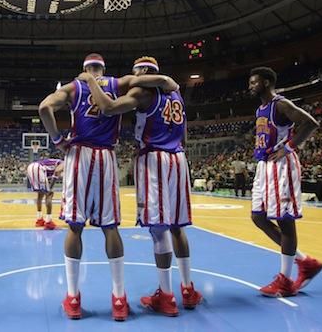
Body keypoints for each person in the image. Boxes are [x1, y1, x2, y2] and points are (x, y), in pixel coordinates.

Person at [39, 53, 177, 321]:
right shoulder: (120, 82)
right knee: (110, 228)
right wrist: (167, 81)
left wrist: (58, 139)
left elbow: (44, 108)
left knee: (75, 227)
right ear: (104, 68)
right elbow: (152, 80)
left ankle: (73, 298)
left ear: (84, 69)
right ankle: (118, 299)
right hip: (106, 157)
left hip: (79, 156)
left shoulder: (73, 87)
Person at [79, 56, 202, 317]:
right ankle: (188, 289)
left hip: (155, 158)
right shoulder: (175, 93)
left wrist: (91, 81)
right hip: (179, 157)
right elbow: (185, 132)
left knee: (159, 229)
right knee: (178, 228)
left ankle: (166, 296)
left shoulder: (143, 92)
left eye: (135, 74)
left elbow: (109, 108)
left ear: (143, 73)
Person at [248, 67, 322, 297]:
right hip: (265, 165)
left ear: (267, 82)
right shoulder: (261, 108)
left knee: (285, 221)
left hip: (282, 166)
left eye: (254, 82)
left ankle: (285, 280)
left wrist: (288, 147)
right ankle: (304, 262)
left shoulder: (280, 104)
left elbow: (310, 123)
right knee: (258, 217)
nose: (250, 86)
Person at [27, 158, 63, 230]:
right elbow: (56, 174)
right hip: (38, 168)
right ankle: (48, 222)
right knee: (49, 194)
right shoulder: (63, 163)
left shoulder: (54, 163)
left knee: (40, 194)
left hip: (31, 167)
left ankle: (39, 219)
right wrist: (50, 189)